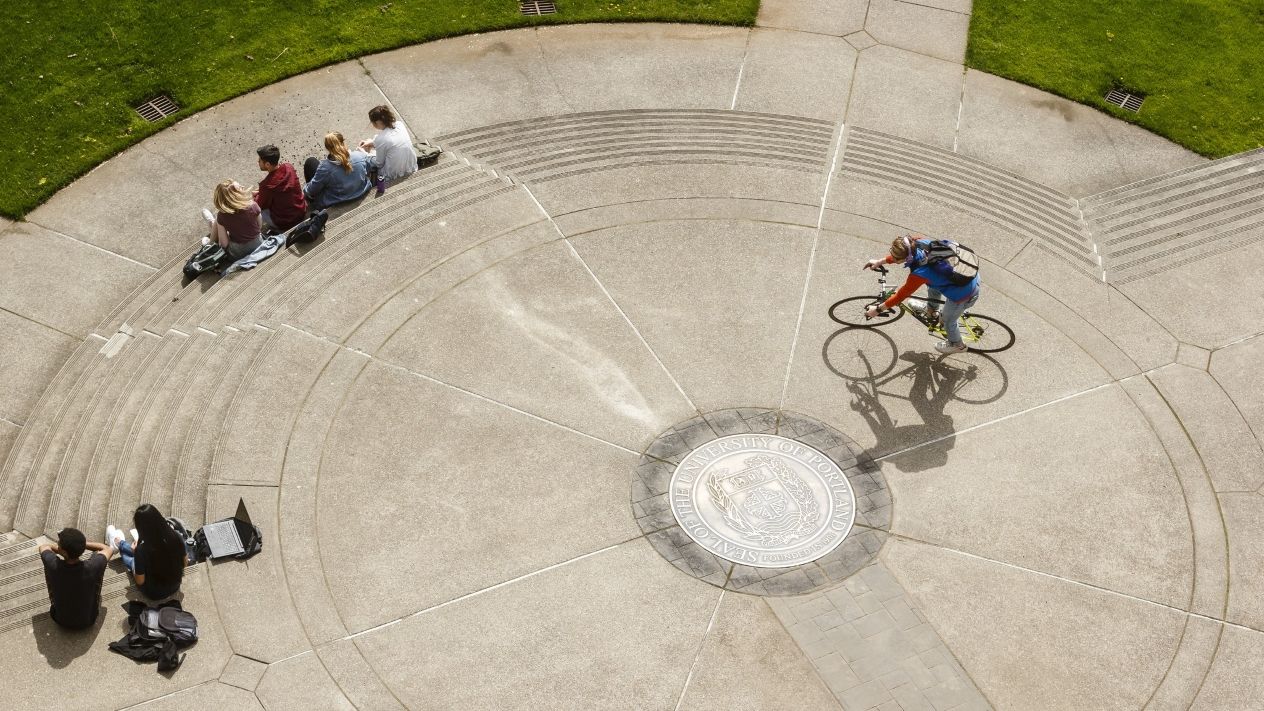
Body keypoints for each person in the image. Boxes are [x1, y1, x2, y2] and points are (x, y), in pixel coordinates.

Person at [863, 234, 981, 354]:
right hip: (969, 274)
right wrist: (880, 261)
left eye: (895, 258)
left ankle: (957, 345)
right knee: (932, 285)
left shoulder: (920, 273)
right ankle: (931, 311)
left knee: (948, 321)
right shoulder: (917, 243)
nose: (893, 259)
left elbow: (901, 295)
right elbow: (901, 256)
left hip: (965, 294)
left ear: (905, 258)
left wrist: (878, 309)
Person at [39, 528, 115, 629]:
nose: (58, 545)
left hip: (60, 620)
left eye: (59, 544)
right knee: (97, 560)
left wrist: (62, 551)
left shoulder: (52, 564)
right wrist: (81, 545)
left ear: (64, 552)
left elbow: (44, 547)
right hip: (89, 620)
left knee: (48, 568)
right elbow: (108, 549)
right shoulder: (93, 566)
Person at [107, 504, 187, 600]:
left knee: (132, 560)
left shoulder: (142, 550)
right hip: (175, 586)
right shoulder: (176, 536)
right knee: (137, 554)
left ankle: (118, 544)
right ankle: (119, 543)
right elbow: (185, 563)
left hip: (154, 593)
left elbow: (140, 581)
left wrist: (137, 554)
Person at [303, 132, 372, 210]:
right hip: (360, 192)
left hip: (337, 202)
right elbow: (368, 170)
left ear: (327, 148)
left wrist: (305, 189)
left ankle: (312, 205)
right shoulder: (359, 156)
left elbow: (311, 190)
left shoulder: (325, 168)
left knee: (311, 162)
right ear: (343, 142)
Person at [358, 105, 417, 193]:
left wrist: (364, 153)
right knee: (377, 141)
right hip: (411, 168)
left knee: (369, 157)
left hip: (394, 175)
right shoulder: (399, 124)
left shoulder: (381, 139)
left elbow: (379, 164)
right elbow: (391, 141)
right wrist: (373, 142)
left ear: (377, 123)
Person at [252, 145, 307, 233]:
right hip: (301, 212)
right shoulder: (289, 167)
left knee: (256, 207)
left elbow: (259, 206)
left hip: (285, 223)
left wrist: (256, 196)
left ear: (267, 164)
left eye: (260, 161)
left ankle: (275, 230)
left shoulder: (266, 186)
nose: (258, 162)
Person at [205, 180, 263, 260]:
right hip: (259, 244)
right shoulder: (252, 205)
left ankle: (210, 241)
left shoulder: (223, 215)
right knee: (219, 221)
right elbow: (259, 226)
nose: (243, 186)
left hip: (238, 254)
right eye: (240, 187)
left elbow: (224, 244)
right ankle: (212, 224)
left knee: (218, 221)